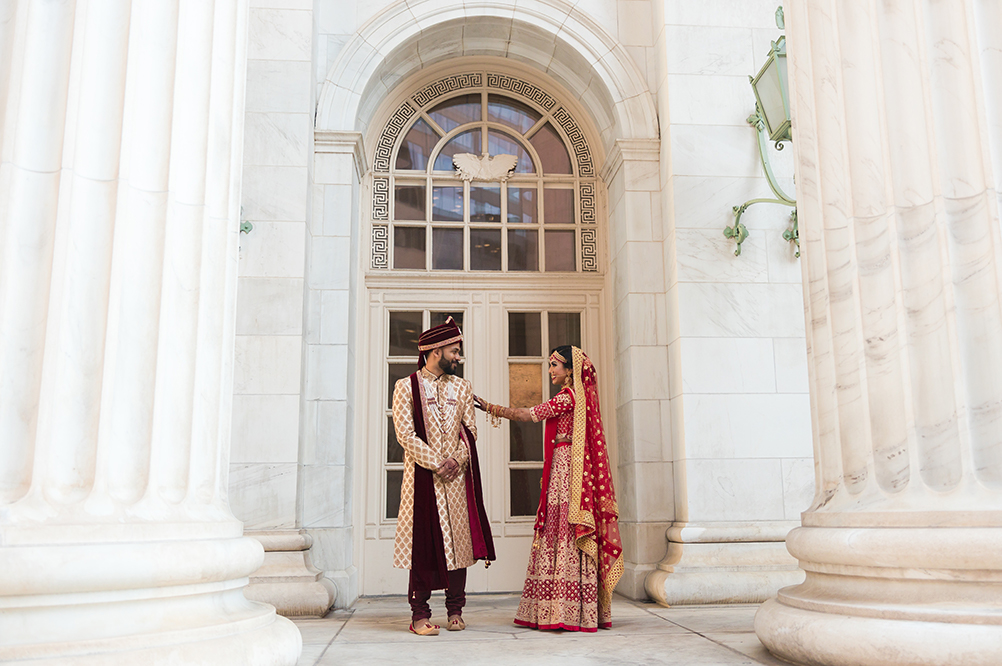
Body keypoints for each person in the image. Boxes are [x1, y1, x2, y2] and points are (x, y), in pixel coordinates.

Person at [476, 345, 623, 632]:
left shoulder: (568, 396)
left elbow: (529, 415)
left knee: (563, 529)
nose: (551, 370)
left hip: (566, 469)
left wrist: (491, 408)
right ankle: (571, 609)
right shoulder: (574, 397)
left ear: (570, 370)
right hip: (564, 466)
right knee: (562, 528)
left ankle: (561, 610)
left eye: (555, 365)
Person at [391, 317, 495, 636]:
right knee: (422, 546)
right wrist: (438, 462)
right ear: (436, 351)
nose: (458, 356)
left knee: (459, 544)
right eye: (454, 350)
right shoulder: (405, 387)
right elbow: (405, 434)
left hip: (456, 480)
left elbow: (471, 430)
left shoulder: (462, 388)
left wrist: (457, 459)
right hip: (423, 480)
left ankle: (455, 611)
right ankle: (419, 615)